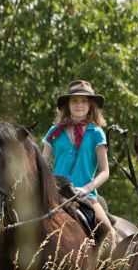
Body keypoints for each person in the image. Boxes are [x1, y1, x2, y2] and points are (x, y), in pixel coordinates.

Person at [42, 80, 113, 241]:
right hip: (55, 193)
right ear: (68, 104)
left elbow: (105, 171)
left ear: (90, 105)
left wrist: (86, 188)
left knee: (109, 233)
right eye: (74, 100)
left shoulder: (96, 133)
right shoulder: (54, 131)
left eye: (84, 101)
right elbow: (43, 162)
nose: (79, 105)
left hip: (85, 195)